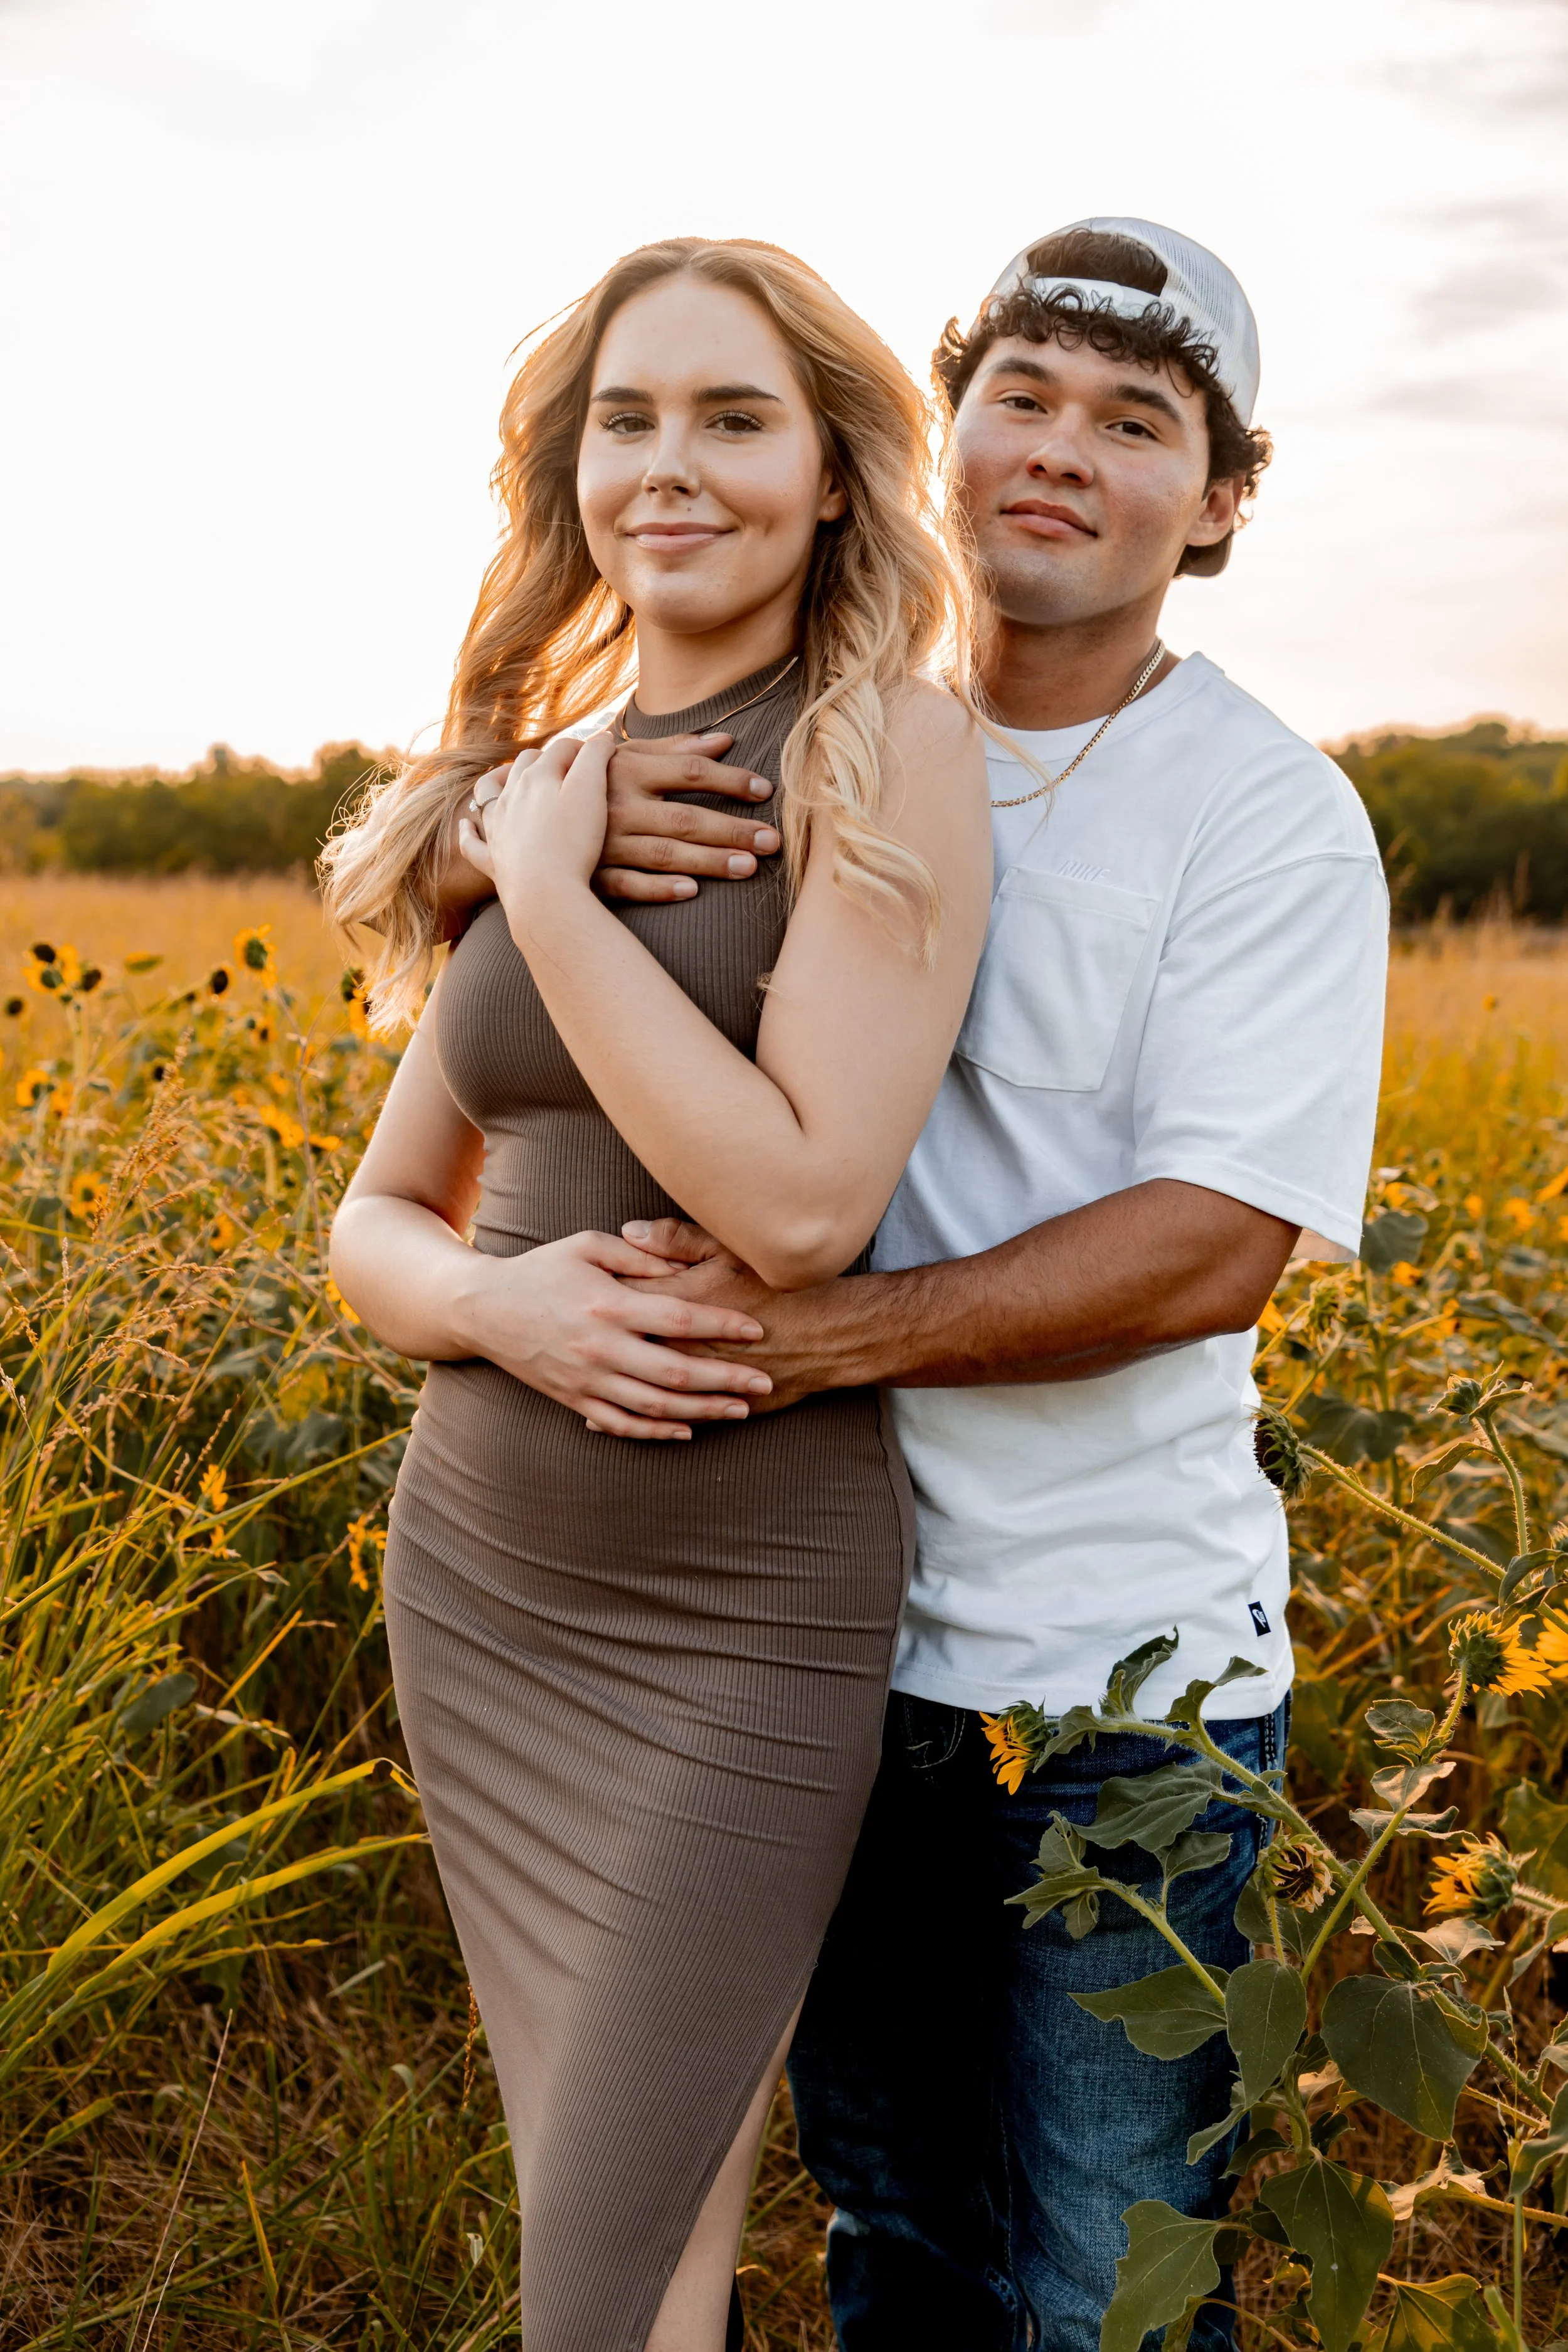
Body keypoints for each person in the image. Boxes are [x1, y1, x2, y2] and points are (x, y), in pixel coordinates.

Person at [441, 220, 1391, 2348]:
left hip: (1115, 1688)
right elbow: (541, 937)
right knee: (899, 2236)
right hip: (833, 1642)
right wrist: (489, 828)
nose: (1057, 451)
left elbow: (1213, 1242)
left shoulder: (1263, 814)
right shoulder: (838, 746)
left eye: (1133, 424)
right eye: (1019, 399)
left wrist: (805, 1340)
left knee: (1104, 2286)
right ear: (939, 442)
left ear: (1217, 504)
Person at [321, 236, 991, 2352]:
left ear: (832, 472)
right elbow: (376, 1225)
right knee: (638, 2232)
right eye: (626, 419)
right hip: (485, 1588)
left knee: (593, 2280)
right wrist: (500, 1312)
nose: (667, 465)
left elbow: (798, 1206)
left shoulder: (885, 751)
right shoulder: (552, 779)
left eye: (730, 418)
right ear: (574, 469)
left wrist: (539, 890)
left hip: (740, 1604)